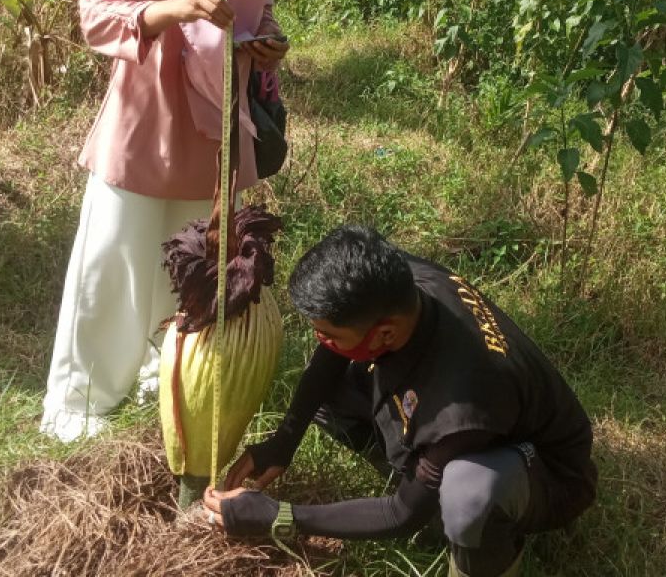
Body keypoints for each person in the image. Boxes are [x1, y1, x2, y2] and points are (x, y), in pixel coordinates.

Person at [41, 0, 294, 441]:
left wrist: (264, 41)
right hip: (146, 123)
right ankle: (82, 405)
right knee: (114, 257)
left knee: (192, 258)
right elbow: (97, 12)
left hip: (215, 134)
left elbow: (251, 12)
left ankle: (169, 376)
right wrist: (178, 7)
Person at [203, 226, 597, 577]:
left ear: (385, 335)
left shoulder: (461, 407)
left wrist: (278, 515)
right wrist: (283, 442)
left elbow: (399, 514)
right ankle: (427, 493)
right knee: (327, 393)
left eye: (328, 334)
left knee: (469, 495)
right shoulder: (397, 281)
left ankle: (478, 552)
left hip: (546, 471)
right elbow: (332, 357)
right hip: (470, 417)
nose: (322, 341)